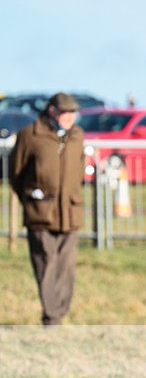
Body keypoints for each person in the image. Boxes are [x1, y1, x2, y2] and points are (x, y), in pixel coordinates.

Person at [9, 92, 85, 326]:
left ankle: (59, 312)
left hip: (70, 212)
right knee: (46, 263)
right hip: (41, 212)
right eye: (65, 112)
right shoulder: (29, 135)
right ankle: (51, 317)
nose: (70, 117)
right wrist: (32, 198)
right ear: (52, 111)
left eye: (73, 113)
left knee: (66, 266)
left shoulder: (77, 136)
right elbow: (16, 173)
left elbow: (80, 167)